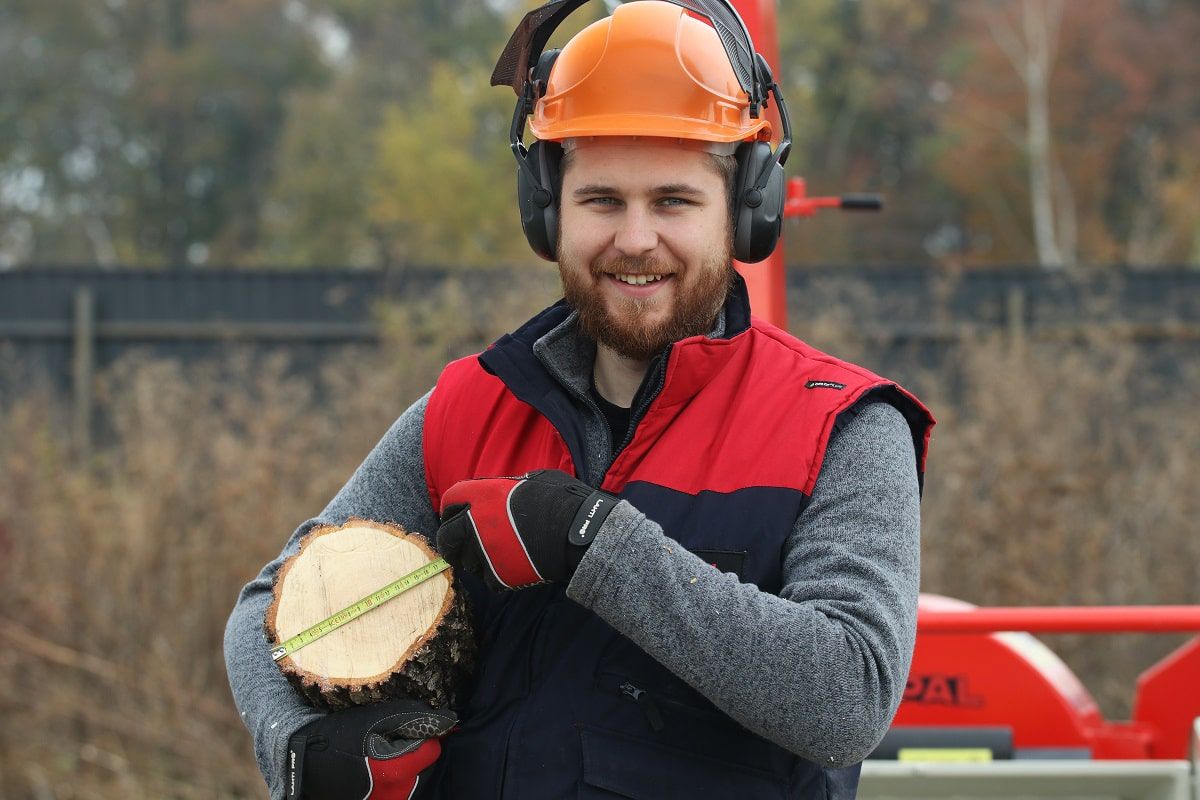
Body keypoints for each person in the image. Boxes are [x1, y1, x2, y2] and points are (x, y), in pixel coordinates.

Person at [224, 1, 934, 798]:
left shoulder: (841, 426)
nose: (635, 239)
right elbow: (266, 609)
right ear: (547, 211)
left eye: (673, 200)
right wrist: (299, 745)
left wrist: (593, 541)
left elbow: (848, 696)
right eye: (601, 200)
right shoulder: (466, 408)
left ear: (744, 212)